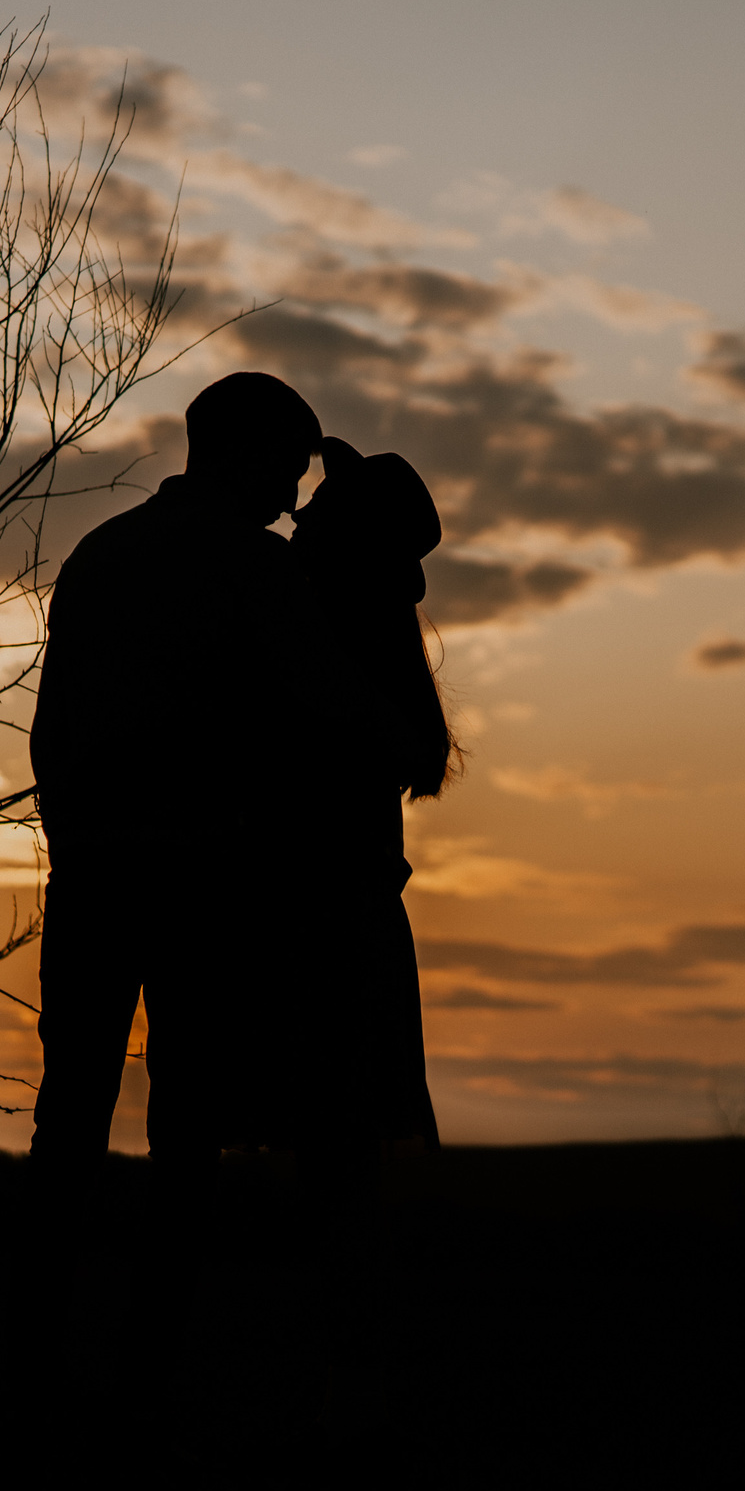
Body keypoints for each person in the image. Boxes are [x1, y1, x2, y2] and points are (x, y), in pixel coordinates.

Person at [27, 371, 326, 1182]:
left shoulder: (103, 551)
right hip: (202, 876)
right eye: (288, 470)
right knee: (190, 1116)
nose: (294, 498)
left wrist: (76, 841)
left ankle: (45, 1300)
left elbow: (51, 728)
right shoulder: (259, 568)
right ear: (242, 453)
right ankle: (162, 1302)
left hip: (92, 871)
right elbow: (310, 714)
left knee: (73, 1103)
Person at [287, 437, 454, 1175]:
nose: (300, 517)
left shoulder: (321, 642)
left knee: (334, 1133)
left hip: (322, 919)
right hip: (349, 917)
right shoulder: (364, 641)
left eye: (321, 509)